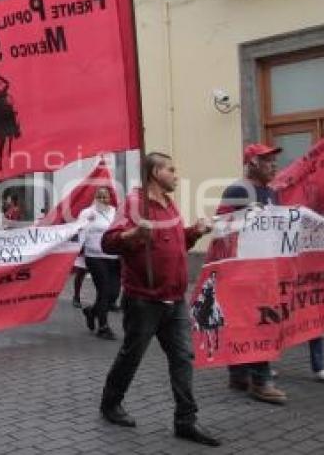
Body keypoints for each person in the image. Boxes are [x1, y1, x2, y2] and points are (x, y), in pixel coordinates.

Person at [99, 152, 220, 447]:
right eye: (171, 169)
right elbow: (108, 241)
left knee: (182, 357)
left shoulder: (169, 204)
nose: (176, 174)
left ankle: (186, 421)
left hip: (175, 299)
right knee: (132, 355)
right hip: (144, 301)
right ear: (154, 172)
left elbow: (177, 242)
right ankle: (110, 404)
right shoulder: (135, 203)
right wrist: (132, 233)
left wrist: (195, 231)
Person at [221, 144, 324, 404]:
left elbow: (282, 225)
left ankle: (240, 375)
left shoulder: (271, 192)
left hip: (265, 268)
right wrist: (245, 220)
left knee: (253, 321)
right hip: (244, 269)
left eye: (274, 161)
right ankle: (261, 382)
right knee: (259, 323)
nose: (274, 165)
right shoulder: (238, 190)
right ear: (252, 163)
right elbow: (223, 226)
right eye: (267, 161)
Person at [79, 187, 120, 339]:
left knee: (113, 294)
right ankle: (103, 327)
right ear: (95, 198)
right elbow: (79, 232)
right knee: (103, 291)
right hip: (95, 256)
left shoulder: (115, 212)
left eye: (106, 197)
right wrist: (85, 223)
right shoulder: (87, 213)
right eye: (100, 197)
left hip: (114, 257)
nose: (103, 199)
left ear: (110, 198)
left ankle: (91, 312)